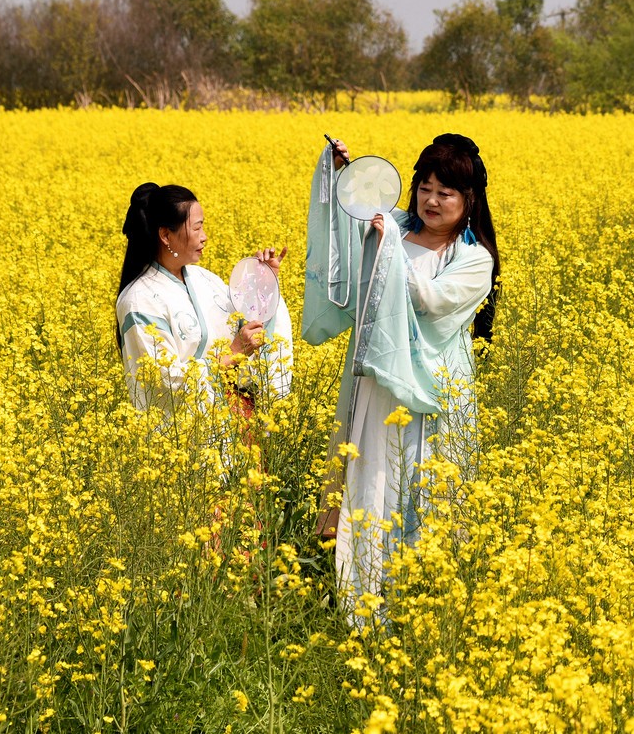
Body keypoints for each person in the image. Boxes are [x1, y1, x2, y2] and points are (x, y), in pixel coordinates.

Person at [302, 134, 500, 618]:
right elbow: (344, 247)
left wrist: (387, 242)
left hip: (429, 387)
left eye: (445, 193)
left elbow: (428, 301)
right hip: (374, 377)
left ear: (468, 201)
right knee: (370, 474)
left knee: (417, 480)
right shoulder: (393, 226)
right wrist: (342, 177)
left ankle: (417, 601)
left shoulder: (474, 258)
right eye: (424, 188)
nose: (431, 200)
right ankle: (361, 597)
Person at [116, 182, 292, 412]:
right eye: (197, 228)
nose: (204, 237)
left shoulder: (206, 280)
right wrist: (233, 353)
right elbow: (161, 383)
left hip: (237, 424)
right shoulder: (139, 301)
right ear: (166, 235)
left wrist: (265, 283)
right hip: (184, 437)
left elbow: (249, 328)